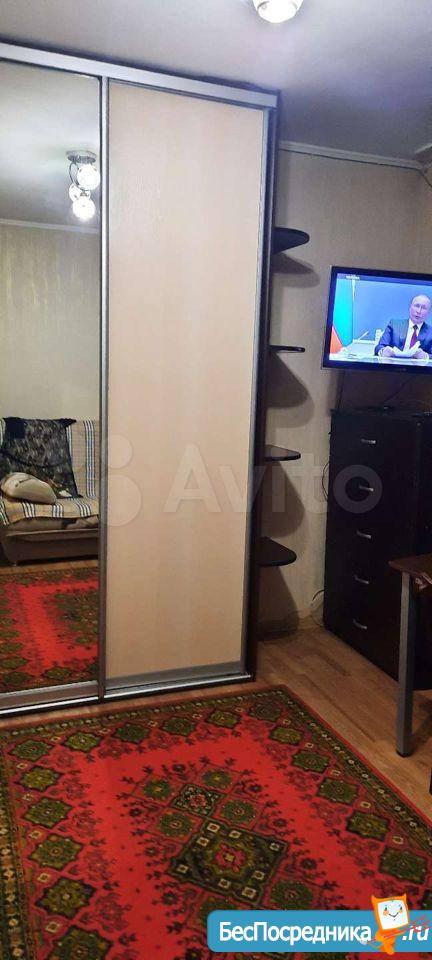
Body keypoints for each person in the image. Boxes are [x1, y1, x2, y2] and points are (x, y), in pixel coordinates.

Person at [374, 293, 432, 359]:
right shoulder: (394, 324)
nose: (419, 311)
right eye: (417, 306)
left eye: (423, 308)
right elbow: (379, 347)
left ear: (429, 312)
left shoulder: (430, 332)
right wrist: (383, 351)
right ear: (410, 308)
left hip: (418, 365)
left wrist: (426, 356)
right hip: (393, 364)